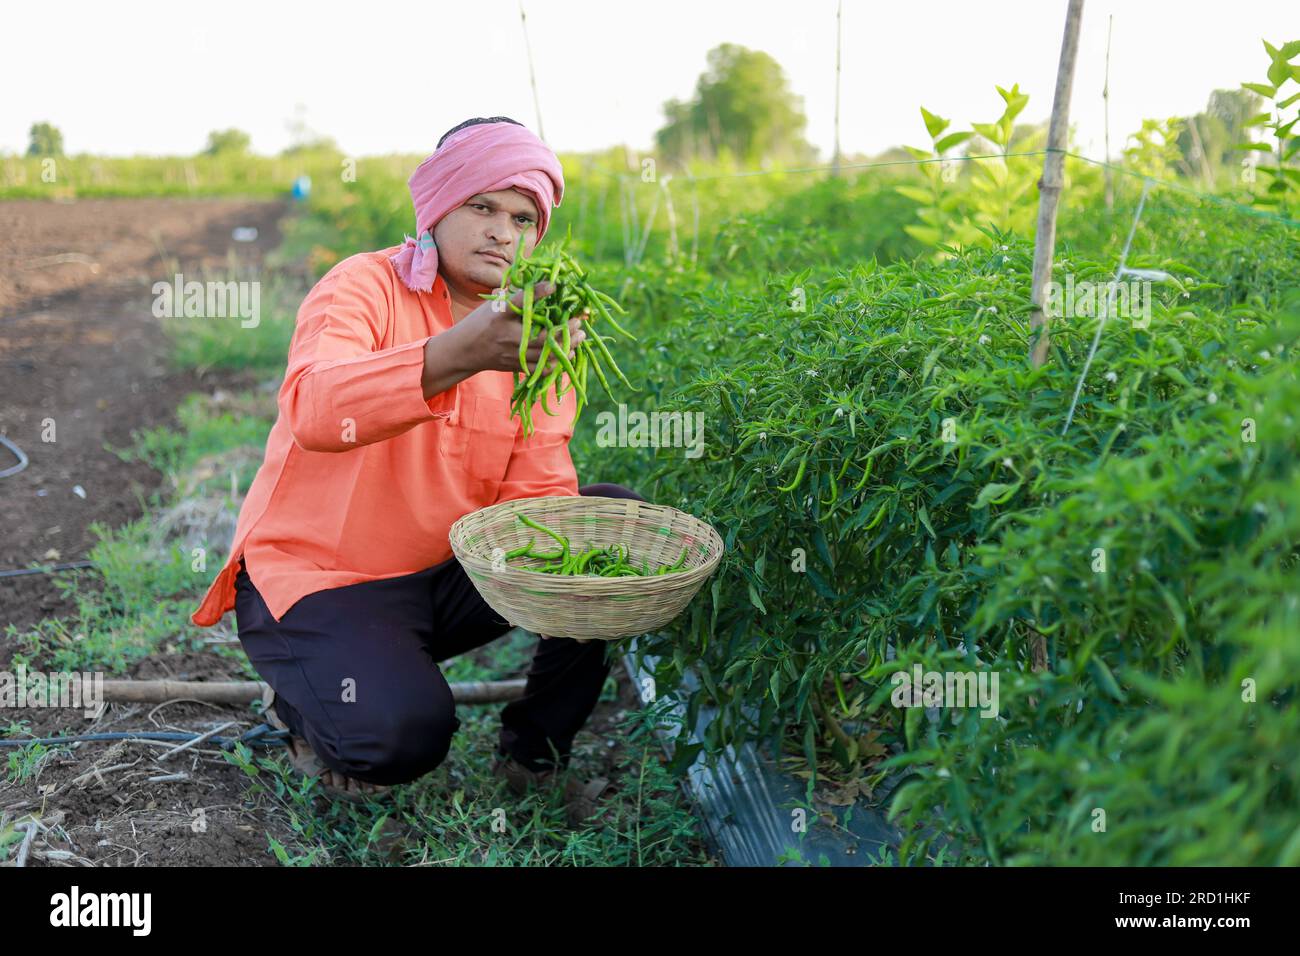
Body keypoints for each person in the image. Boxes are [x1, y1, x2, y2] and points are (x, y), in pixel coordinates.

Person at [190, 116, 639, 821]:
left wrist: (572, 568)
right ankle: (300, 703)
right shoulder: (363, 287)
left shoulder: (538, 332)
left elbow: (540, 488)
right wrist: (457, 354)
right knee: (398, 737)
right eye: (481, 207)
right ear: (438, 205)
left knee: (603, 523)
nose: (502, 232)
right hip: (322, 580)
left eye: (523, 218)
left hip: (449, 573)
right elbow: (315, 408)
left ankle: (535, 753)